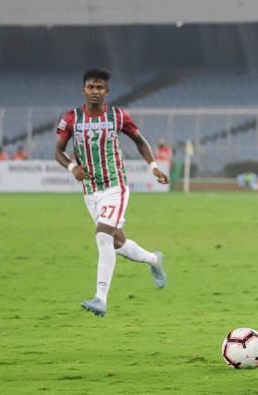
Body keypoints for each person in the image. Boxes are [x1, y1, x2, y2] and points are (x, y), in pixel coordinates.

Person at [55, 69, 170, 317]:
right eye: (91, 87)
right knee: (118, 242)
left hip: (115, 187)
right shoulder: (71, 118)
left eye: (99, 87)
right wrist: (73, 167)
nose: (95, 91)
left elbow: (139, 140)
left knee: (103, 236)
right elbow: (58, 151)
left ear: (107, 92)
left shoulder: (118, 116)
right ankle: (153, 260)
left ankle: (100, 298)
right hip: (90, 192)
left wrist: (153, 167)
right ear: (84, 90)